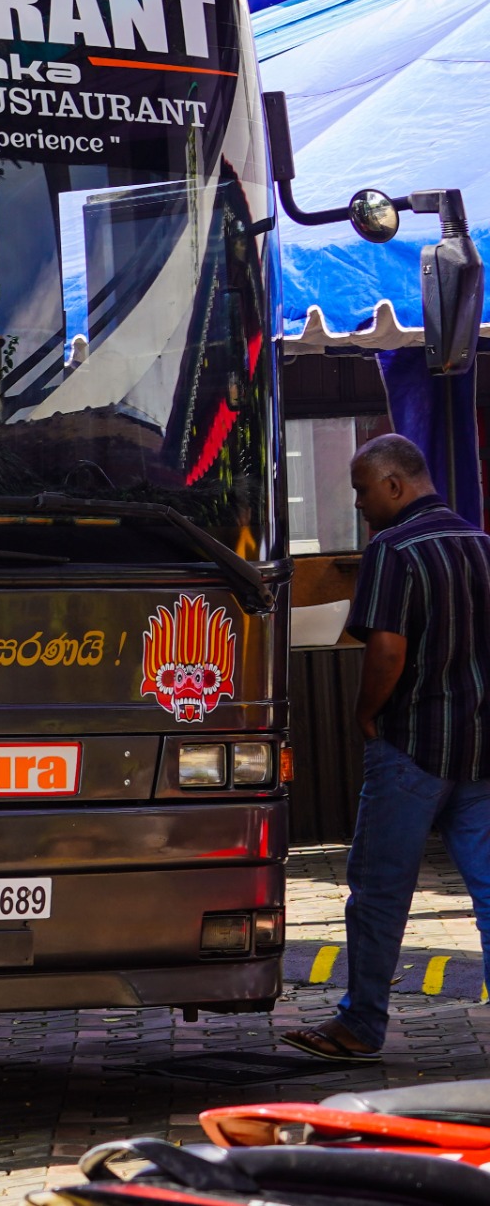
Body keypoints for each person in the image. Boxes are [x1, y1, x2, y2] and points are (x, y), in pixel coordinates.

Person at [283, 433, 490, 1060]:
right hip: (481, 749)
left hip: (411, 746)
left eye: (362, 490)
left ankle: (360, 1024)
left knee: (378, 892)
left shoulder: (394, 549)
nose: (359, 503)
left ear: (395, 485)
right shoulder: (481, 545)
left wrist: (365, 713)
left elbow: (388, 650)